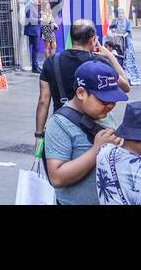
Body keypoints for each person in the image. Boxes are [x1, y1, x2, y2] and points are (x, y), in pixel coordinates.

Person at [42, 59, 124, 205]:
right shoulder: (59, 124)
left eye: (114, 100)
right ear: (81, 93)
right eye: (104, 101)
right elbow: (57, 177)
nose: (111, 106)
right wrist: (96, 150)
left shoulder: (105, 115)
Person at [35, 19, 130, 142]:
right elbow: (125, 86)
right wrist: (109, 56)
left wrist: (38, 134)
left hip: (61, 124)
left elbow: (43, 100)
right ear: (93, 39)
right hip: (95, 128)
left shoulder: (52, 61)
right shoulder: (99, 62)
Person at [111, 6, 141, 85]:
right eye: (119, 13)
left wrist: (124, 35)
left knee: (128, 61)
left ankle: (132, 79)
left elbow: (128, 31)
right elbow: (112, 28)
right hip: (117, 43)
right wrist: (114, 32)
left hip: (126, 43)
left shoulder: (127, 21)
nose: (121, 15)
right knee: (118, 60)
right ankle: (119, 79)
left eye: (122, 13)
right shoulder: (115, 21)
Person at [23, 0, 42, 73]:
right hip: (32, 31)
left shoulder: (32, 6)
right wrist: (40, 19)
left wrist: (39, 15)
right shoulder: (29, 6)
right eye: (39, 1)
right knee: (35, 49)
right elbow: (30, 19)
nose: (39, 3)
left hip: (34, 30)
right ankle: (34, 67)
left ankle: (35, 66)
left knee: (35, 49)